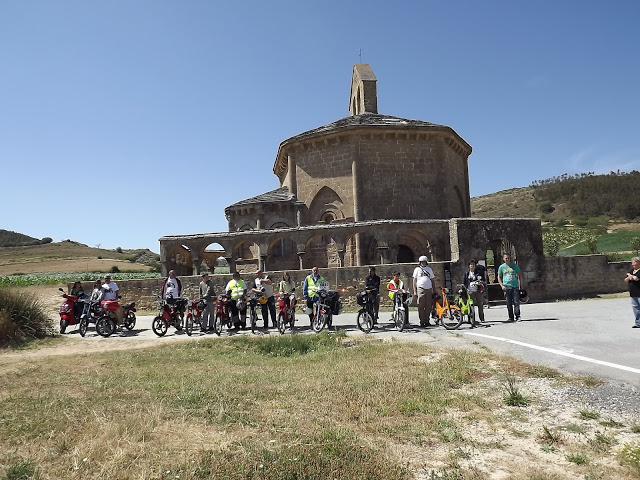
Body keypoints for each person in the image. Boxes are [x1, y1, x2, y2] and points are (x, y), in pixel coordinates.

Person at [497, 253, 524, 322]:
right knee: (508, 303)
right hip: (506, 287)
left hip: (515, 286)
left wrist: (521, 285)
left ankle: (517, 316)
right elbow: (499, 277)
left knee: (516, 302)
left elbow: (520, 275)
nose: (507, 259)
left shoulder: (514, 266)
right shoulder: (501, 267)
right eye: (506, 258)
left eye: (508, 258)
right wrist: (502, 285)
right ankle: (510, 317)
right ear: (503, 259)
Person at [413, 255, 436, 327]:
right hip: (420, 288)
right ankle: (422, 321)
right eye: (422, 262)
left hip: (429, 289)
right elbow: (414, 280)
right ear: (420, 262)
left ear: (426, 262)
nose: (423, 263)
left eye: (424, 261)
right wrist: (415, 291)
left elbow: (432, 280)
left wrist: (434, 290)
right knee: (421, 305)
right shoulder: (417, 269)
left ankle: (427, 321)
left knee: (428, 306)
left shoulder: (429, 269)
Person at [624, 257, 640, 328]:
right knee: (636, 309)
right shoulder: (631, 271)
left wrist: (630, 276)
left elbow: (636, 278)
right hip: (633, 293)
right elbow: (626, 280)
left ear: (638, 263)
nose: (632, 264)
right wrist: (630, 276)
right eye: (632, 262)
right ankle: (638, 323)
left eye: (634, 262)